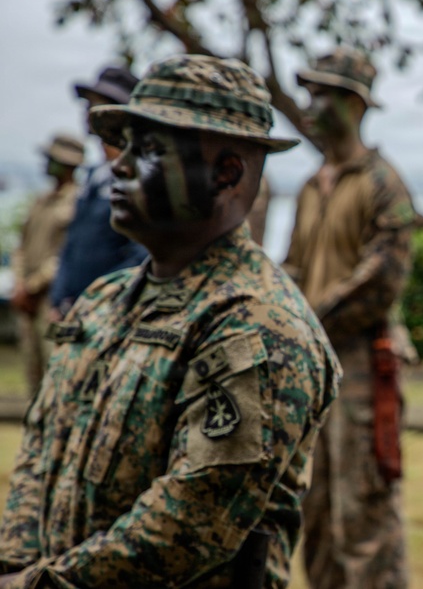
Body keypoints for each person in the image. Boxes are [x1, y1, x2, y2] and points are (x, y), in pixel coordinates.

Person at [0, 54, 339, 588]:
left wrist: (33, 585)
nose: (119, 164)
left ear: (227, 172)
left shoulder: (258, 324)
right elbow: (39, 457)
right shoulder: (104, 301)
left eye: (150, 149)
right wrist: (15, 567)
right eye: (125, 144)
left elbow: (187, 528)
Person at [285, 47, 414, 589]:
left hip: (363, 363)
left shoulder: (383, 182)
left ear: (355, 104)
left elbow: (380, 278)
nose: (310, 106)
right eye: (309, 93)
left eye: (323, 95)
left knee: (363, 515)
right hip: (312, 368)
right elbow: (292, 267)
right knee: (313, 517)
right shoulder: (312, 186)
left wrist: (305, 319)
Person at [49, 66, 147, 319]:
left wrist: (95, 302)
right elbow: (71, 244)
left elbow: (141, 254)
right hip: (71, 310)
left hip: (106, 313)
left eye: (97, 104)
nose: (87, 113)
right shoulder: (94, 176)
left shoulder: (139, 178)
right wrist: (58, 298)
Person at [10, 134, 84, 393]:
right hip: (27, 300)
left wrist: (32, 286)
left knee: (55, 376)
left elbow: (66, 255)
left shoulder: (78, 202)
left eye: (50, 160)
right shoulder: (40, 201)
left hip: (51, 300)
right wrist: (20, 285)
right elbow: (21, 246)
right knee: (33, 375)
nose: (45, 164)